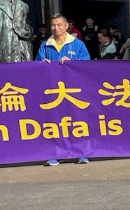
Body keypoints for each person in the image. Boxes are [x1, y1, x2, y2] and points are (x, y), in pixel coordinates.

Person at [35, 14, 91, 165]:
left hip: (74, 91)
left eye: (59, 25)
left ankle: (81, 153)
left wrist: (72, 62)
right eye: (53, 25)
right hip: (53, 91)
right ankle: (56, 153)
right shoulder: (45, 45)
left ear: (67, 26)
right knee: (55, 122)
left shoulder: (77, 44)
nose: (56, 28)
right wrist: (42, 63)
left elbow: (86, 64)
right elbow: (36, 65)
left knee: (77, 121)